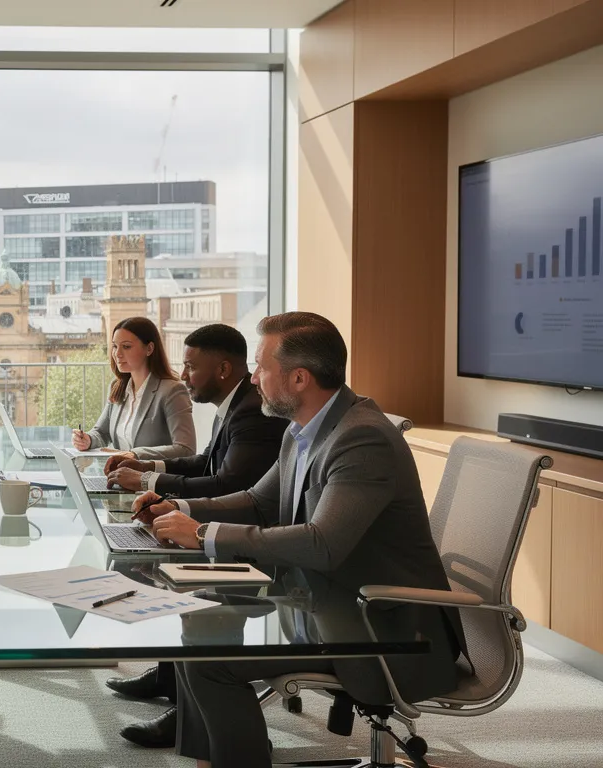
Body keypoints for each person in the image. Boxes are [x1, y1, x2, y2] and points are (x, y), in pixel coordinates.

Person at [130, 312, 466, 768]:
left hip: (387, 632)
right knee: (202, 619)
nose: (253, 377)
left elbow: (321, 543)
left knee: (210, 660)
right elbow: (258, 500)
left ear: (300, 378)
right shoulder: (303, 428)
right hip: (329, 603)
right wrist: (181, 509)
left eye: (262, 367)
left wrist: (205, 533)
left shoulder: (361, 438)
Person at [99, 323, 289, 748]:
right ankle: (175, 676)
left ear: (222, 369)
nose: (183, 376)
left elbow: (227, 482)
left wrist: (155, 486)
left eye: (190, 367)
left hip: (261, 544)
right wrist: (154, 478)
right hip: (242, 523)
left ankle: (191, 708)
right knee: (158, 559)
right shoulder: (236, 403)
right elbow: (206, 462)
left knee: (174, 575)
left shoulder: (253, 410)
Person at [71, 316, 195, 460]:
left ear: (149, 348)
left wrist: (135, 454)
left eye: (126, 346)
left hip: (152, 479)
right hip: (120, 476)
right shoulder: (118, 387)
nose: (117, 353)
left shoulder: (172, 391)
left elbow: (186, 449)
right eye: (115, 346)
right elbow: (102, 433)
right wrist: (87, 440)